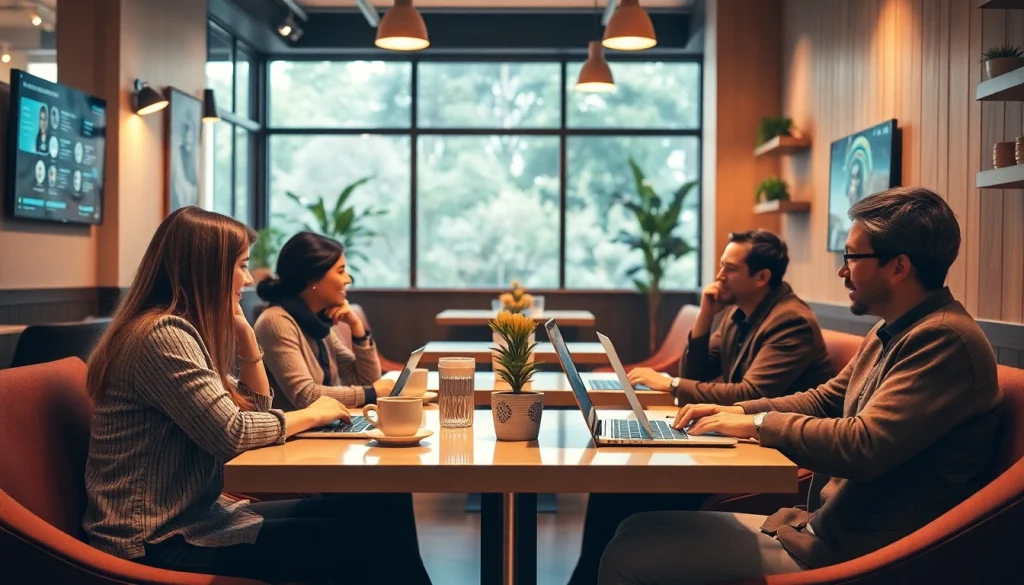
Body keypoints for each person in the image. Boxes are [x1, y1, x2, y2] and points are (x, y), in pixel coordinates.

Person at [597, 187, 1002, 585]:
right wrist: (737, 413)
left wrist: (757, 425)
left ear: (898, 267)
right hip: (824, 530)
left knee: (626, 555)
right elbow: (825, 398)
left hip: (864, 554)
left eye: (852, 257)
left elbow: (864, 444)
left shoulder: (945, 340)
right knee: (632, 525)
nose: (843, 270)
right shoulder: (893, 330)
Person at [83, 207, 431, 584]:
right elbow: (233, 434)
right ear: (208, 269)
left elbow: (255, 408)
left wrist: (246, 335)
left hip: (201, 519)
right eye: (241, 265)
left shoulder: (184, 331)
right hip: (156, 540)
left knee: (383, 502)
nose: (248, 279)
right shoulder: (163, 335)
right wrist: (313, 414)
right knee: (362, 538)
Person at [568, 229, 834, 585]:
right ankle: (586, 578)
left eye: (730, 268)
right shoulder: (736, 314)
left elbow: (750, 391)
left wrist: (675, 385)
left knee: (623, 488)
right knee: (614, 486)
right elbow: (699, 374)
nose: (719, 275)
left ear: (762, 277)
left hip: (772, 455)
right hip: (736, 441)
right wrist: (707, 312)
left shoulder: (790, 321)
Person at [255, 231, 394, 410]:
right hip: (297, 437)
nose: (348, 279)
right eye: (341, 271)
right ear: (313, 278)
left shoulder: (317, 321)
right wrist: (371, 394)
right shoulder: (276, 323)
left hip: (325, 426)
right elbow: (306, 396)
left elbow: (365, 380)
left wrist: (357, 329)